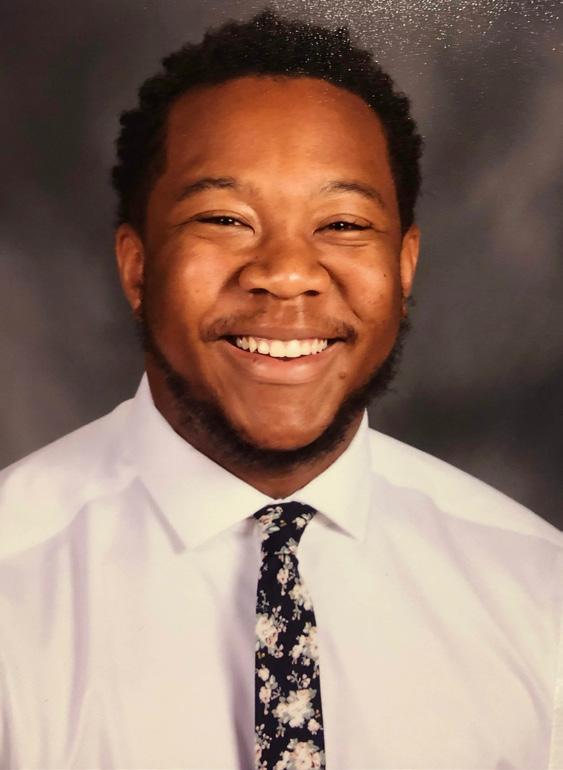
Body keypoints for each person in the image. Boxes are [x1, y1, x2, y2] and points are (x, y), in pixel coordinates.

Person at [0, 8, 561, 770]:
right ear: (137, 267)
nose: (288, 273)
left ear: (403, 268)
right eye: (224, 218)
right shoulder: (13, 581)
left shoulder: (538, 593)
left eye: (343, 225)